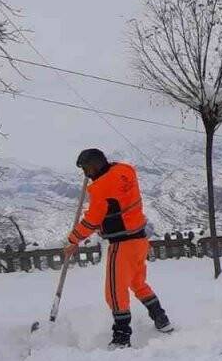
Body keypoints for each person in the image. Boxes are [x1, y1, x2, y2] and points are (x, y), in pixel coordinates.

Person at [63, 148, 172, 348]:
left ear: (96, 165)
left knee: (114, 291)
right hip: (140, 240)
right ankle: (161, 319)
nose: (85, 174)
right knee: (138, 283)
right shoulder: (126, 171)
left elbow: (92, 220)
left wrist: (73, 239)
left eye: (86, 168)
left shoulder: (101, 188)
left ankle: (121, 337)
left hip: (122, 244)